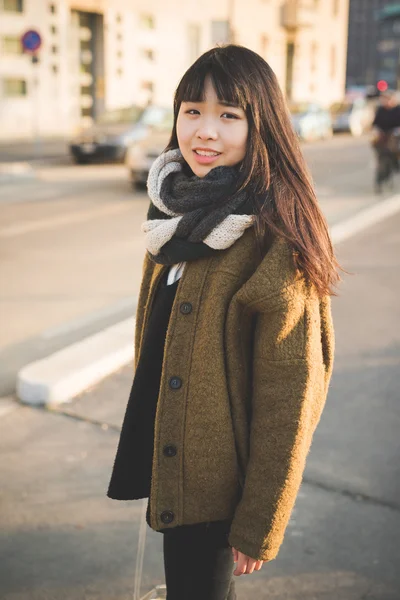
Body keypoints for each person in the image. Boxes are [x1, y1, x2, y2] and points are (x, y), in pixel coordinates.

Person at [108, 45, 338, 599]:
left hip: (219, 488)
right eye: (192, 111)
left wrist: (261, 518)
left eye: (228, 115)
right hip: (175, 462)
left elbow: (294, 390)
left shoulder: (274, 236)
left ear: (261, 126)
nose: (205, 130)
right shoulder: (173, 218)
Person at [371, 90, 400, 190]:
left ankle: (395, 165)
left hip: (394, 136)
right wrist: (376, 130)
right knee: (380, 155)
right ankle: (380, 179)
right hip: (382, 137)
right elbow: (375, 123)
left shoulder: (397, 110)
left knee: (394, 152)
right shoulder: (380, 110)